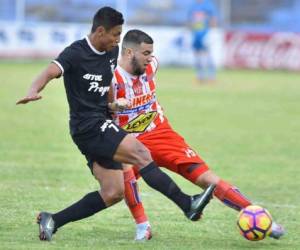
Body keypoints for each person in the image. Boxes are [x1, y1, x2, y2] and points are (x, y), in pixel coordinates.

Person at [16, 7, 216, 241]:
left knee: (113, 192)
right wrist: (32, 90)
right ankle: (187, 204)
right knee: (141, 153)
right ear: (100, 31)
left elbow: (108, 79)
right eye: (115, 34)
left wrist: (112, 103)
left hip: (100, 122)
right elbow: (49, 72)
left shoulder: (110, 52)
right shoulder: (76, 53)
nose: (118, 40)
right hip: (87, 126)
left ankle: (53, 220)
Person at [109, 29, 285, 241]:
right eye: (145, 53)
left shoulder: (152, 66)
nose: (150, 58)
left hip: (161, 134)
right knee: (123, 176)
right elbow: (98, 109)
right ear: (129, 53)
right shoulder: (112, 78)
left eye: (151, 53)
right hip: (129, 141)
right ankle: (142, 226)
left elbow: (149, 66)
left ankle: (260, 216)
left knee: (207, 179)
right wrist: (114, 106)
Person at [188, 0, 218, 83]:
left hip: (205, 34)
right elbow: (190, 20)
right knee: (197, 55)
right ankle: (200, 76)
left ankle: (212, 76)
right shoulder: (193, 6)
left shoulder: (208, 5)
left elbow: (213, 18)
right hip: (196, 35)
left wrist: (212, 32)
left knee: (207, 55)